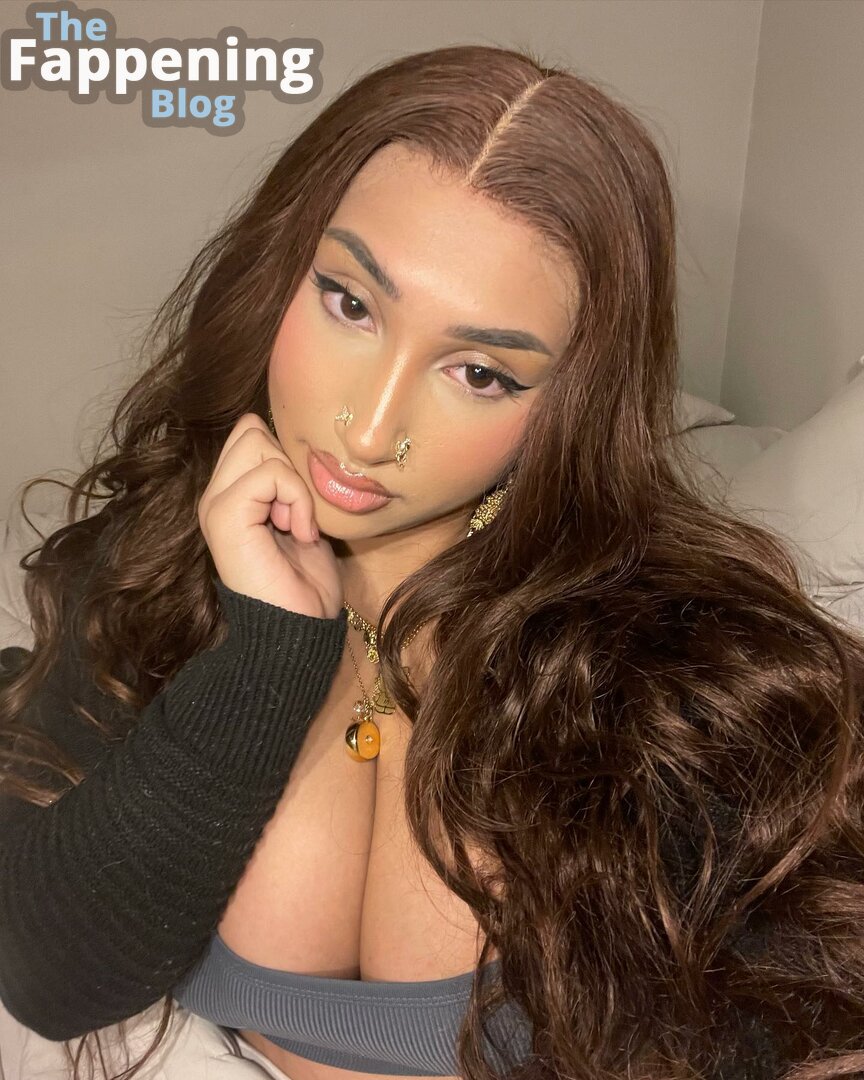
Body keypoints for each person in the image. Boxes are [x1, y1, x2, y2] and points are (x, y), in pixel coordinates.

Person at [2, 41, 864, 1080]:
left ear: (572, 407)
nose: (369, 431)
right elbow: (53, 980)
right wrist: (263, 652)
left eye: (481, 373)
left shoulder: (671, 684)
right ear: (281, 273)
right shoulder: (153, 563)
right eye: (350, 304)